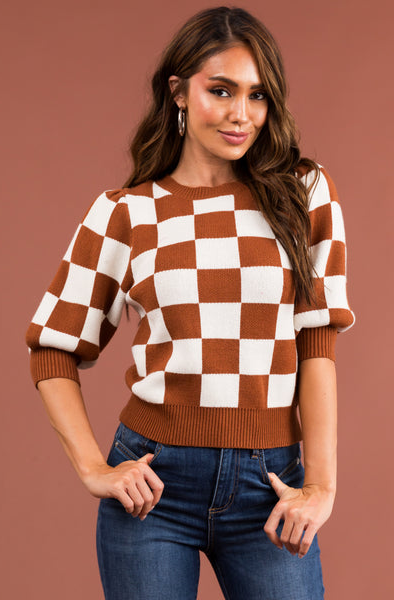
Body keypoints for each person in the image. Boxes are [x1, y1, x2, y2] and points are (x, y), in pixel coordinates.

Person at [25, 6, 356, 600]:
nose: (241, 114)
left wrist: (322, 487)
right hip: (154, 486)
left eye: (258, 95)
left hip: (270, 485)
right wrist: (94, 468)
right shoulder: (127, 212)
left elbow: (316, 344)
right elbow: (52, 349)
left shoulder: (303, 193)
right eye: (221, 90)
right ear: (178, 92)